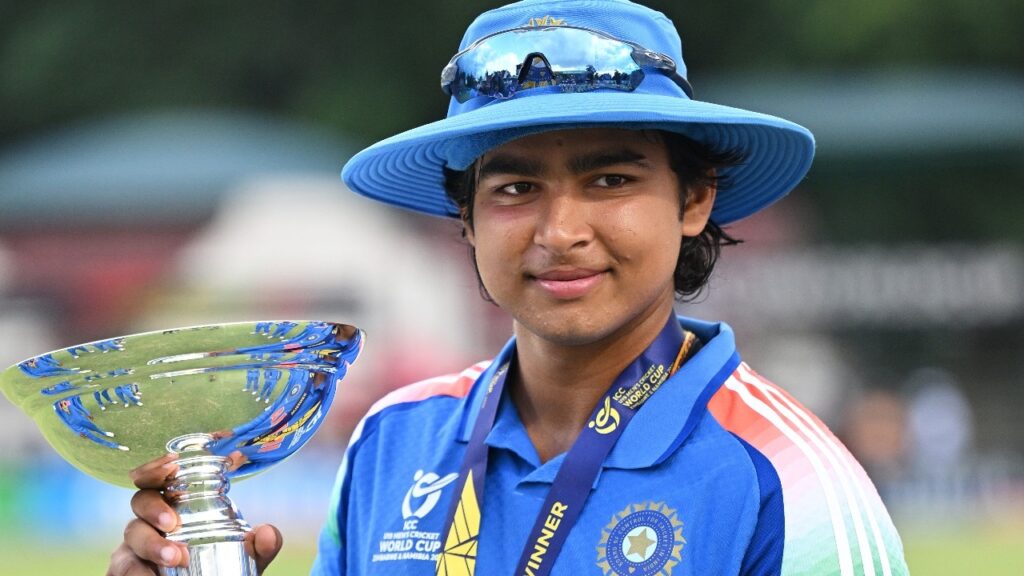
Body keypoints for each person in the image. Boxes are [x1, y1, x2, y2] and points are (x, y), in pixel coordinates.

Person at [108, 1, 909, 575]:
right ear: (465, 217)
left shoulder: (788, 479)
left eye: (609, 179)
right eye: (516, 189)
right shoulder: (396, 439)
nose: (559, 231)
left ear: (694, 200)